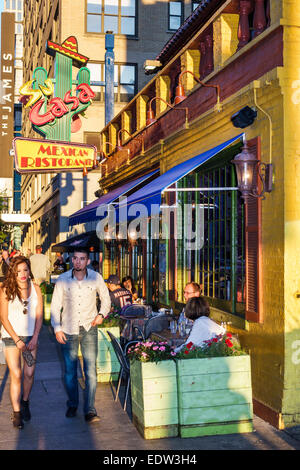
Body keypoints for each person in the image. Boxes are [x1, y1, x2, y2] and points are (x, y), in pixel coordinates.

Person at [50, 248, 111, 424]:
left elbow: (105, 299)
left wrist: (101, 315)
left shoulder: (96, 278)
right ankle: (73, 404)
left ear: (88, 261)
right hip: (68, 329)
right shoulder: (62, 280)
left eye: (82, 259)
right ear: (71, 260)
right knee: (69, 372)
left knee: (90, 371)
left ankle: (90, 409)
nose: (78, 262)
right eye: (75, 258)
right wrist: (57, 328)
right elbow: (55, 306)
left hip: (88, 327)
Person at [0, 256, 43, 429]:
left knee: (29, 372)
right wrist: (17, 340)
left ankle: (25, 401)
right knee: (16, 373)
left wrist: (35, 337)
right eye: (18, 271)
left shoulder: (36, 289)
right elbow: (3, 317)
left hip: (30, 339)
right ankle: (17, 412)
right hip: (12, 338)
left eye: (25, 270)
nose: (22, 274)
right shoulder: (5, 289)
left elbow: (39, 315)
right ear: (13, 273)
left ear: (29, 270)